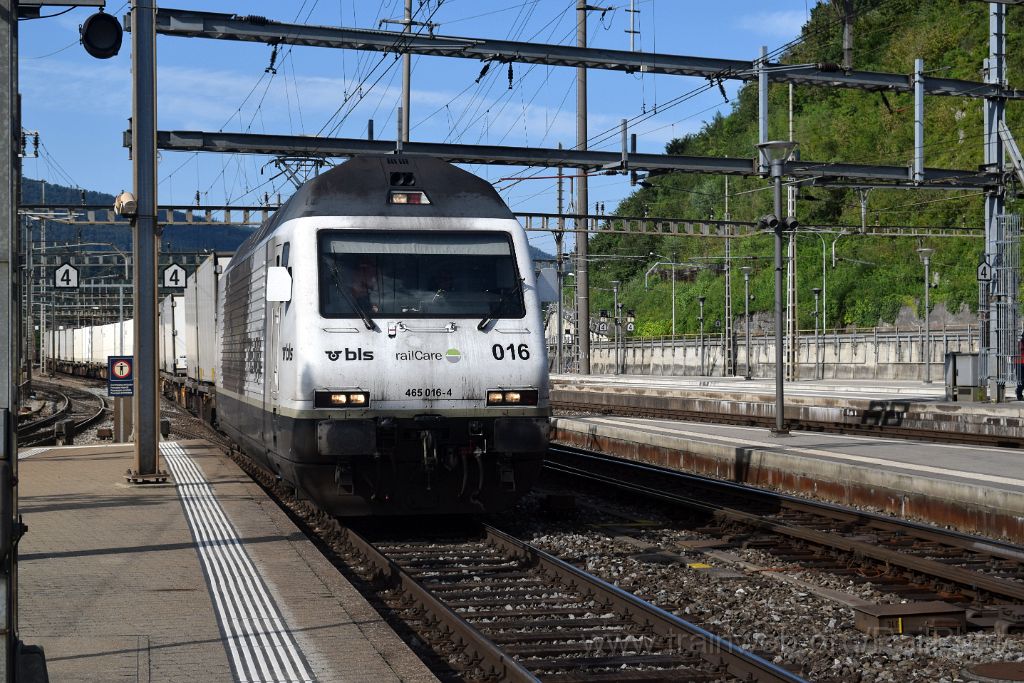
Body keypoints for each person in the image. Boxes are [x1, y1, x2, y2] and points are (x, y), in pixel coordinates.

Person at [1016, 330, 1024, 401]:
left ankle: (1019, 393)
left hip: (1018, 363)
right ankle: (1019, 394)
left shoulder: (1019, 343)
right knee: (1021, 380)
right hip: (1020, 363)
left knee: (1020, 380)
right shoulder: (1020, 344)